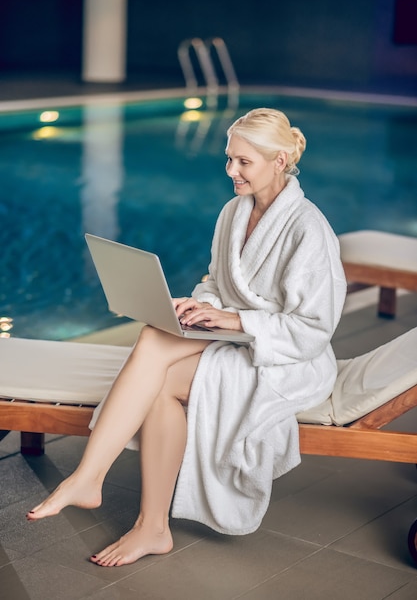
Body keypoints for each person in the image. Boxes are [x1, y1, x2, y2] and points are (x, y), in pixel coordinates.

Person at [26, 108, 347, 567]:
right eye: (229, 159)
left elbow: (314, 329)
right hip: (241, 338)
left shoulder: (307, 228)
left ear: (279, 161)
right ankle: (144, 523)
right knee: (157, 341)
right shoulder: (234, 211)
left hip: (287, 360)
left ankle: (96, 484)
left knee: (155, 350)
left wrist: (236, 322)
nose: (230, 171)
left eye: (243, 162)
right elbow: (218, 281)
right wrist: (200, 305)